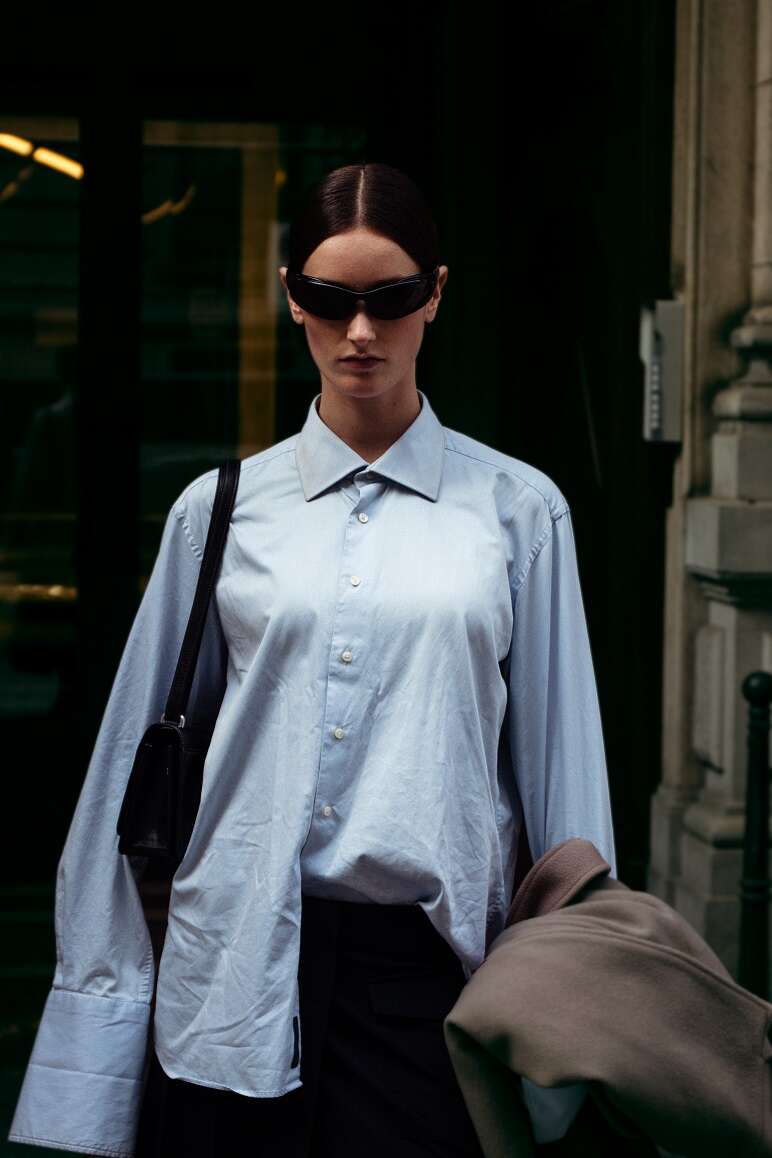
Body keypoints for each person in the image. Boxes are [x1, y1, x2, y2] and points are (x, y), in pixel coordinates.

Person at [7, 162, 617, 1158]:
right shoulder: (217, 512)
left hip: (430, 983)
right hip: (231, 976)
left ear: (436, 295)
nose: (360, 331)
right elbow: (124, 775)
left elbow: (566, 797)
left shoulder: (520, 513)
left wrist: (570, 1014)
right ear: (292, 297)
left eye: (392, 298)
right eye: (331, 300)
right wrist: (98, 1028)